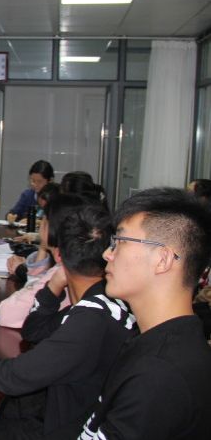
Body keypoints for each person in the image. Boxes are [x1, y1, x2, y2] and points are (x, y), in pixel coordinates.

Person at [0, 198, 136, 439]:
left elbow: (13, 377)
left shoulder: (89, 320)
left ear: (59, 255)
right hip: (72, 411)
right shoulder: (103, 300)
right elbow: (33, 331)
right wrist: (53, 287)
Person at [76, 188, 211, 439]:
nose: (107, 254)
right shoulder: (157, 338)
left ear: (162, 259)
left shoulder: (159, 374)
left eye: (120, 241)